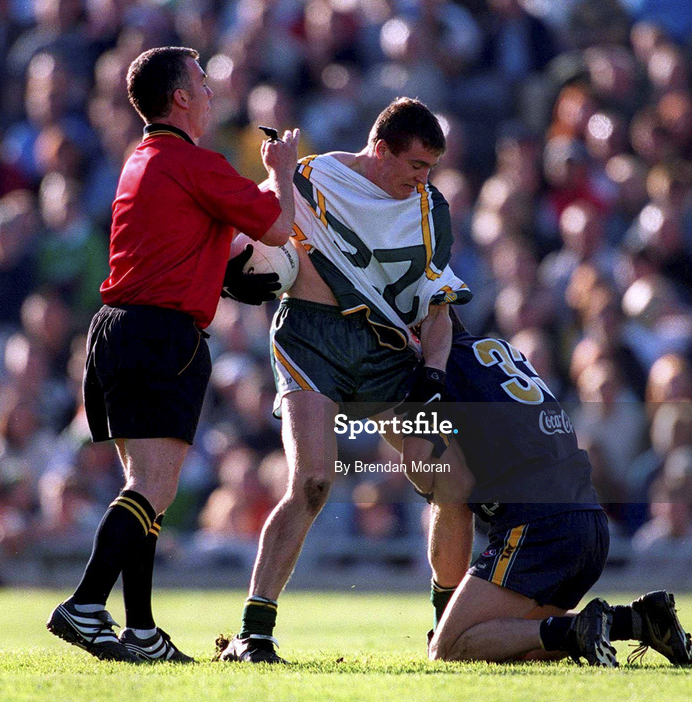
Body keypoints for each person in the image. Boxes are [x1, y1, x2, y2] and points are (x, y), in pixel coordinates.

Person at [46, 46, 298, 663]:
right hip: (163, 334)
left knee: (143, 490)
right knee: (152, 489)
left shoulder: (142, 160)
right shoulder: (194, 162)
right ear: (180, 97)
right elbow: (275, 229)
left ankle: (140, 630)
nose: (212, 94)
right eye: (203, 84)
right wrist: (283, 174)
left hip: (114, 330)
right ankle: (84, 604)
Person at [221, 98, 471, 663]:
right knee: (311, 480)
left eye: (430, 168)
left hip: (387, 354)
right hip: (310, 340)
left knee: (450, 483)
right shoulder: (311, 178)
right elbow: (258, 235)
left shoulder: (432, 209)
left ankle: (450, 629)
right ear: (380, 149)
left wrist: (432, 373)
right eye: (415, 166)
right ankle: (253, 632)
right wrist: (276, 176)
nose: (422, 179)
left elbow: (437, 306)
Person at [401, 317, 692, 666]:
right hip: (588, 522)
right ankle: (635, 621)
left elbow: (425, 467)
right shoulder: (499, 352)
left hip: (538, 527)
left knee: (448, 650)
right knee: (510, 645)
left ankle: (577, 630)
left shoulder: (442, 366)